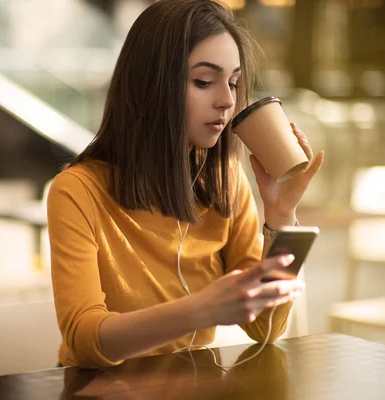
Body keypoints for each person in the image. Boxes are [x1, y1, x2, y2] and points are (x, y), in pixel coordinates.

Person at [47, 0, 325, 368]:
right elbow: (84, 341)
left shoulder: (225, 180)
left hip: (191, 384)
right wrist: (202, 309)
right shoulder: (77, 190)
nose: (226, 100)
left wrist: (281, 213)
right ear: (151, 84)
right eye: (204, 82)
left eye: (234, 83)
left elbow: (264, 328)